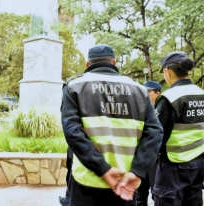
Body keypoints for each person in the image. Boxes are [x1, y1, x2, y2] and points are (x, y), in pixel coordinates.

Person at [61, 44, 163, 206]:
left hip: (86, 181)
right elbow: (155, 132)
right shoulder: (139, 89)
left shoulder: (74, 86)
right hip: (125, 181)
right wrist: (137, 170)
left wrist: (104, 169)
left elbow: (72, 133)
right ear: (114, 62)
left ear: (88, 64)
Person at [152, 52, 204, 206]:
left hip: (173, 167)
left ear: (167, 71)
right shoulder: (201, 94)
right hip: (198, 164)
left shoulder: (171, 97)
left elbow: (157, 136)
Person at [136, 81, 162, 206]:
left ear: (158, 93)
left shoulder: (162, 110)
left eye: (148, 92)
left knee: (156, 194)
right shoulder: (138, 110)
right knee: (138, 195)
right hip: (140, 158)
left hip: (155, 160)